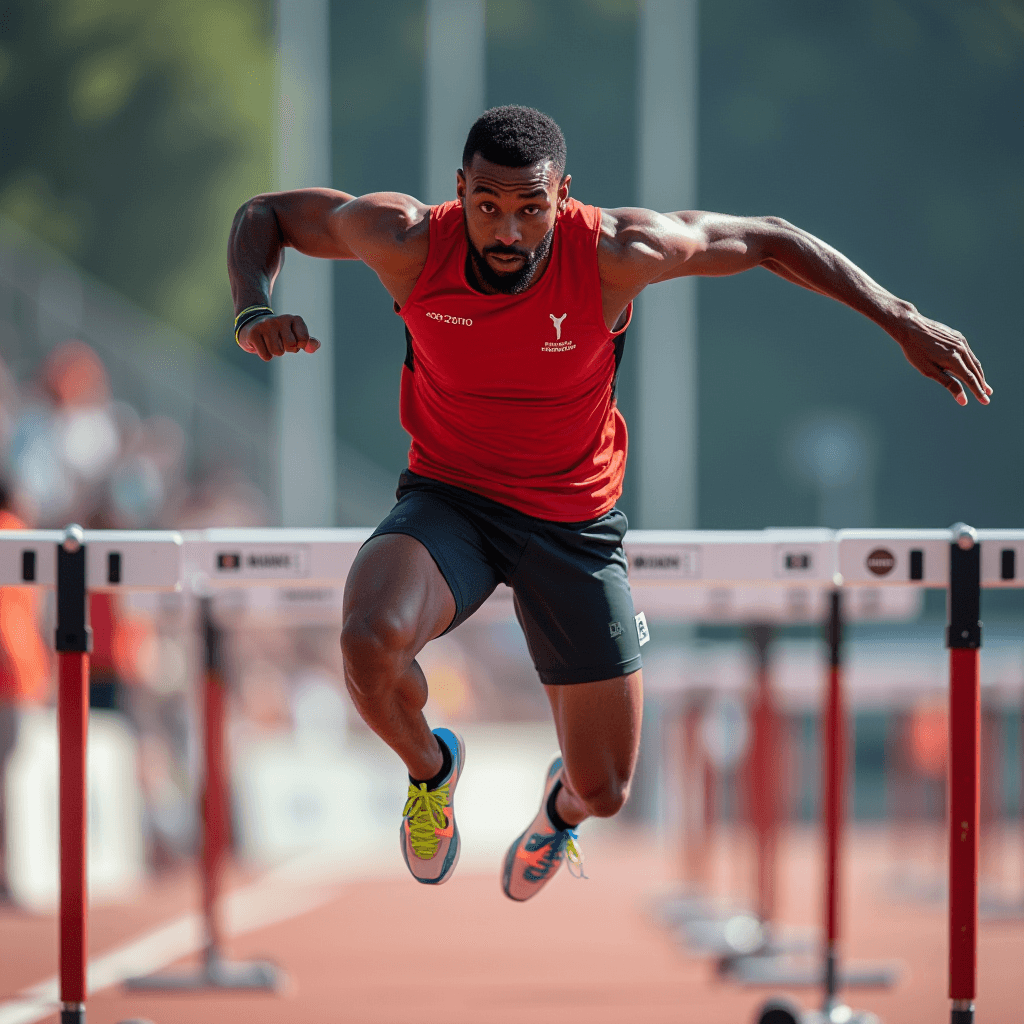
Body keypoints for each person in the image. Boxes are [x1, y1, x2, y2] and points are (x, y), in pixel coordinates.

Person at [226, 105, 990, 901]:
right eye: (487, 206)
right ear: (460, 191)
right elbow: (267, 216)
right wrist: (251, 310)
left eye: (531, 209)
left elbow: (769, 238)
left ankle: (560, 810)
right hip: (451, 502)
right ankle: (432, 771)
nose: (508, 232)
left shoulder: (617, 253)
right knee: (366, 637)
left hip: (574, 524)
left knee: (608, 791)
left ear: (564, 197)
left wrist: (899, 319)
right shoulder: (409, 240)